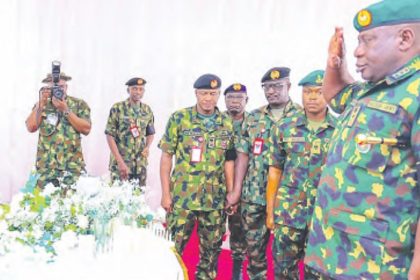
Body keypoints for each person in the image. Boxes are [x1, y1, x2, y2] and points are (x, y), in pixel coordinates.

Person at [304, 1, 420, 279]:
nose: (358, 51)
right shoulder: (373, 91)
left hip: (376, 267)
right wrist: (336, 60)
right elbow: (334, 93)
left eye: (367, 41)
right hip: (334, 255)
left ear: (405, 38)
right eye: (358, 41)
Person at [159, 74, 236, 280]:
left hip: (214, 201)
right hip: (182, 199)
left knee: (210, 256)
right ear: (196, 94)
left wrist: (230, 193)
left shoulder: (226, 124)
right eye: (204, 93)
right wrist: (166, 194)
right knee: (172, 250)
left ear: (219, 94)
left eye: (213, 93)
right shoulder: (179, 119)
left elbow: (229, 161)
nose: (208, 98)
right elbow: (166, 156)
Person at [227, 67, 302, 279]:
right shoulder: (253, 118)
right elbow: (242, 156)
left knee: (286, 258)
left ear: (288, 85)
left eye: (277, 86)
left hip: (287, 199)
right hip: (253, 198)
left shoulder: (300, 117)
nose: (271, 91)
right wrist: (236, 191)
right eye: (267, 87)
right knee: (255, 255)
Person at [265, 70, 336, 279]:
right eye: (307, 92)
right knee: (283, 272)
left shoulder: (340, 130)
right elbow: (275, 170)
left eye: (318, 92)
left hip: (323, 217)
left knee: (319, 273)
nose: (312, 97)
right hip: (288, 215)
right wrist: (271, 212)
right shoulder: (285, 127)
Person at [25, 71, 91, 188]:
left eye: (61, 87)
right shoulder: (41, 105)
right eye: (54, 87)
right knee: (45, 203)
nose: (58, 90)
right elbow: (31, 127)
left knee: (72, 204)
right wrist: (41, 104)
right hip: (46, 168)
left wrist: (65, 110)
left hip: (72, 167)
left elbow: (86, 129)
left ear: (66, 87)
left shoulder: (79, 104)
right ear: (48, 88)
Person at [105, 77, 155, 187]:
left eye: (141, 89)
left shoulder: (147, 110)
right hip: (122, 164)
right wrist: (120, 162)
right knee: (119, 199)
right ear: (128, 90)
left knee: (138, 199)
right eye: (135, 89)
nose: (138, 92)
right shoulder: (117, 108)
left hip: (140, 165)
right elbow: (109, 135)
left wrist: (147, 147)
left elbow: (150, 132)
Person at [224, 83, 248, 280]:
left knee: (238, 230)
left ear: (246, 100)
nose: (235, 102)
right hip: (216, 184)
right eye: (231, 98)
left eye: (239, 98)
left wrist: (236, 190)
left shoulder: (255, 123)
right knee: (212, 232)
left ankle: (237, 271)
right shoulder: (217, 121)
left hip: (243, 186)